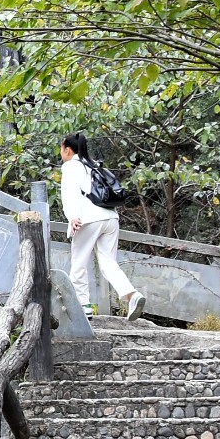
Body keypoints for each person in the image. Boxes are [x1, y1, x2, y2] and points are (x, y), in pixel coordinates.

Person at [60, 132, 146, 320]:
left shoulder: (71, 167)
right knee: (108, 263)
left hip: (88, 219)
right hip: (110, 217)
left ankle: (84, 307)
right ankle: (132, 295)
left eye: (61, 148)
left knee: (79, 264)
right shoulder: (93, 165)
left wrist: (73, 216)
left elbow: (70, 194)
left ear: (67, 149)